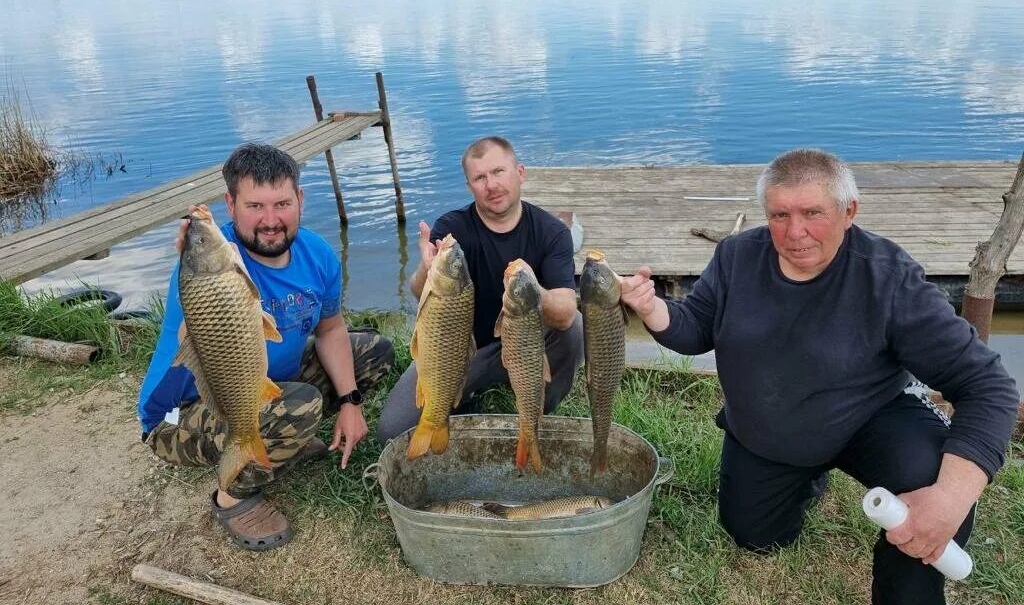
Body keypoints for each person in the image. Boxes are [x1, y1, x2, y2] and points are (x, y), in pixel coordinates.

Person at [620, 148, 1019, 605]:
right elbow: (696, 328)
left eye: (813, 213)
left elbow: (988, 386)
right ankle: (809, 479)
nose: (795, 232)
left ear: (849, 211)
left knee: (929, 477)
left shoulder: (889, 279)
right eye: (779, 214)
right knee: (754, 535)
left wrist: (950, 498)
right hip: (771, 433)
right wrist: (653, 309)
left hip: (873, 417)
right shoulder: (735, 257)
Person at [138, 143, 394, 551]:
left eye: (282, 204)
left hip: (266, 381)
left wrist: (350, 402)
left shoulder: (318, 254)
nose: (271, 221)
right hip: (181, 412)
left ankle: (283, 436)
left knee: (374, 352)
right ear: (230, 204)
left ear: (300, 200)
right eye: (255, 205)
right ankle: (232, 496)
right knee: (301, 403)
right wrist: (194, 245)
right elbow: (199, 271)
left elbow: (330, 329)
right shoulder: (210, 269)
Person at [377, 136, 584, 441]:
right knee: (393, 431)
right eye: (480, 177)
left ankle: (539, 404)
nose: (491, 185)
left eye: (499, 172)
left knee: (575, 327)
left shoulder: (551, 232)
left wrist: (531, 289)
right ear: (469, 186)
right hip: (461, 348)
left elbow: (565, 313)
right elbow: (420, 293)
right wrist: (426, 268)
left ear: (520, 172)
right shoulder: (452, 229)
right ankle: (463, 394)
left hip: (526, 343)